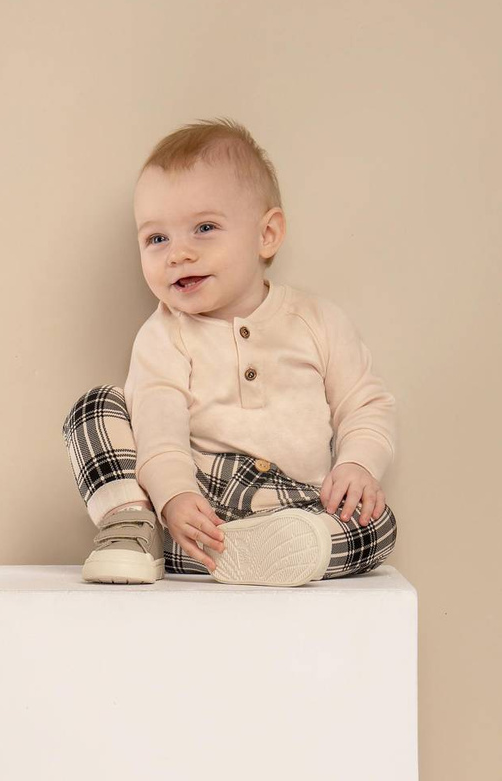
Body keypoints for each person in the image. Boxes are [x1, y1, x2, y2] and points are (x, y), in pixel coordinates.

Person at [62, 116, 398, 587]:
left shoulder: (318, 322)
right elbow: (159, 428)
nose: (177, 253)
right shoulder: (164, 336)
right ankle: (135, 529)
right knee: (95, 407)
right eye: (157, 238)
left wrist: (357, 463)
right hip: (199, 507)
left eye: (204, 228)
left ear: (266, 234)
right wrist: (173, 497)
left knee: (377, 524)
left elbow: (364, 405)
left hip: (299, 503)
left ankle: (275, 553)